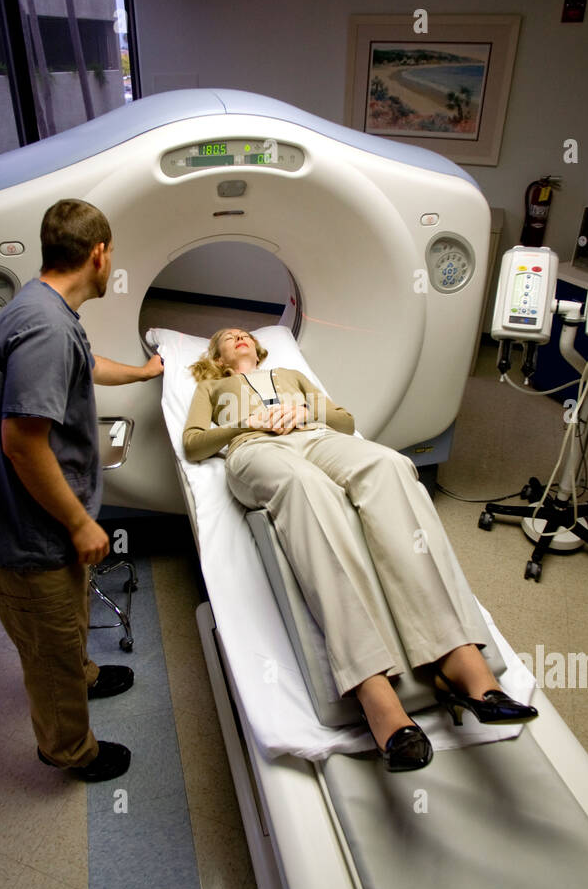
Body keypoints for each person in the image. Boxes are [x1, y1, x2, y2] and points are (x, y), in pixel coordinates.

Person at [182, 326, 537, 772]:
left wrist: (304, 408)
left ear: (258, 347)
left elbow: (345, 422)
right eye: (228, 336)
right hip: (254, 449)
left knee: (389, 464)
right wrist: (245, 423)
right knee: (307, 488)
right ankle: (374, 692)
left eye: (245, 334)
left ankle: (457, 657)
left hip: (316, 437)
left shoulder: (290, 373)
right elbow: (194, 444)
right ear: (215, 353)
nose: (239, 336)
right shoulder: (213, 387)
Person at [0, 198, 163, 782]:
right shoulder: (44, 326)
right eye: (111, 256)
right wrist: (79, 522)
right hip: (21, 530)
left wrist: (143, 373)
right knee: (48, 648)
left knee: (65, 623)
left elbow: (85, 362)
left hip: (34, 519)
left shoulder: (44, 306)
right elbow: (22, 442)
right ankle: (67, 750)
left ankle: (86, 678)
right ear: (99, 254)